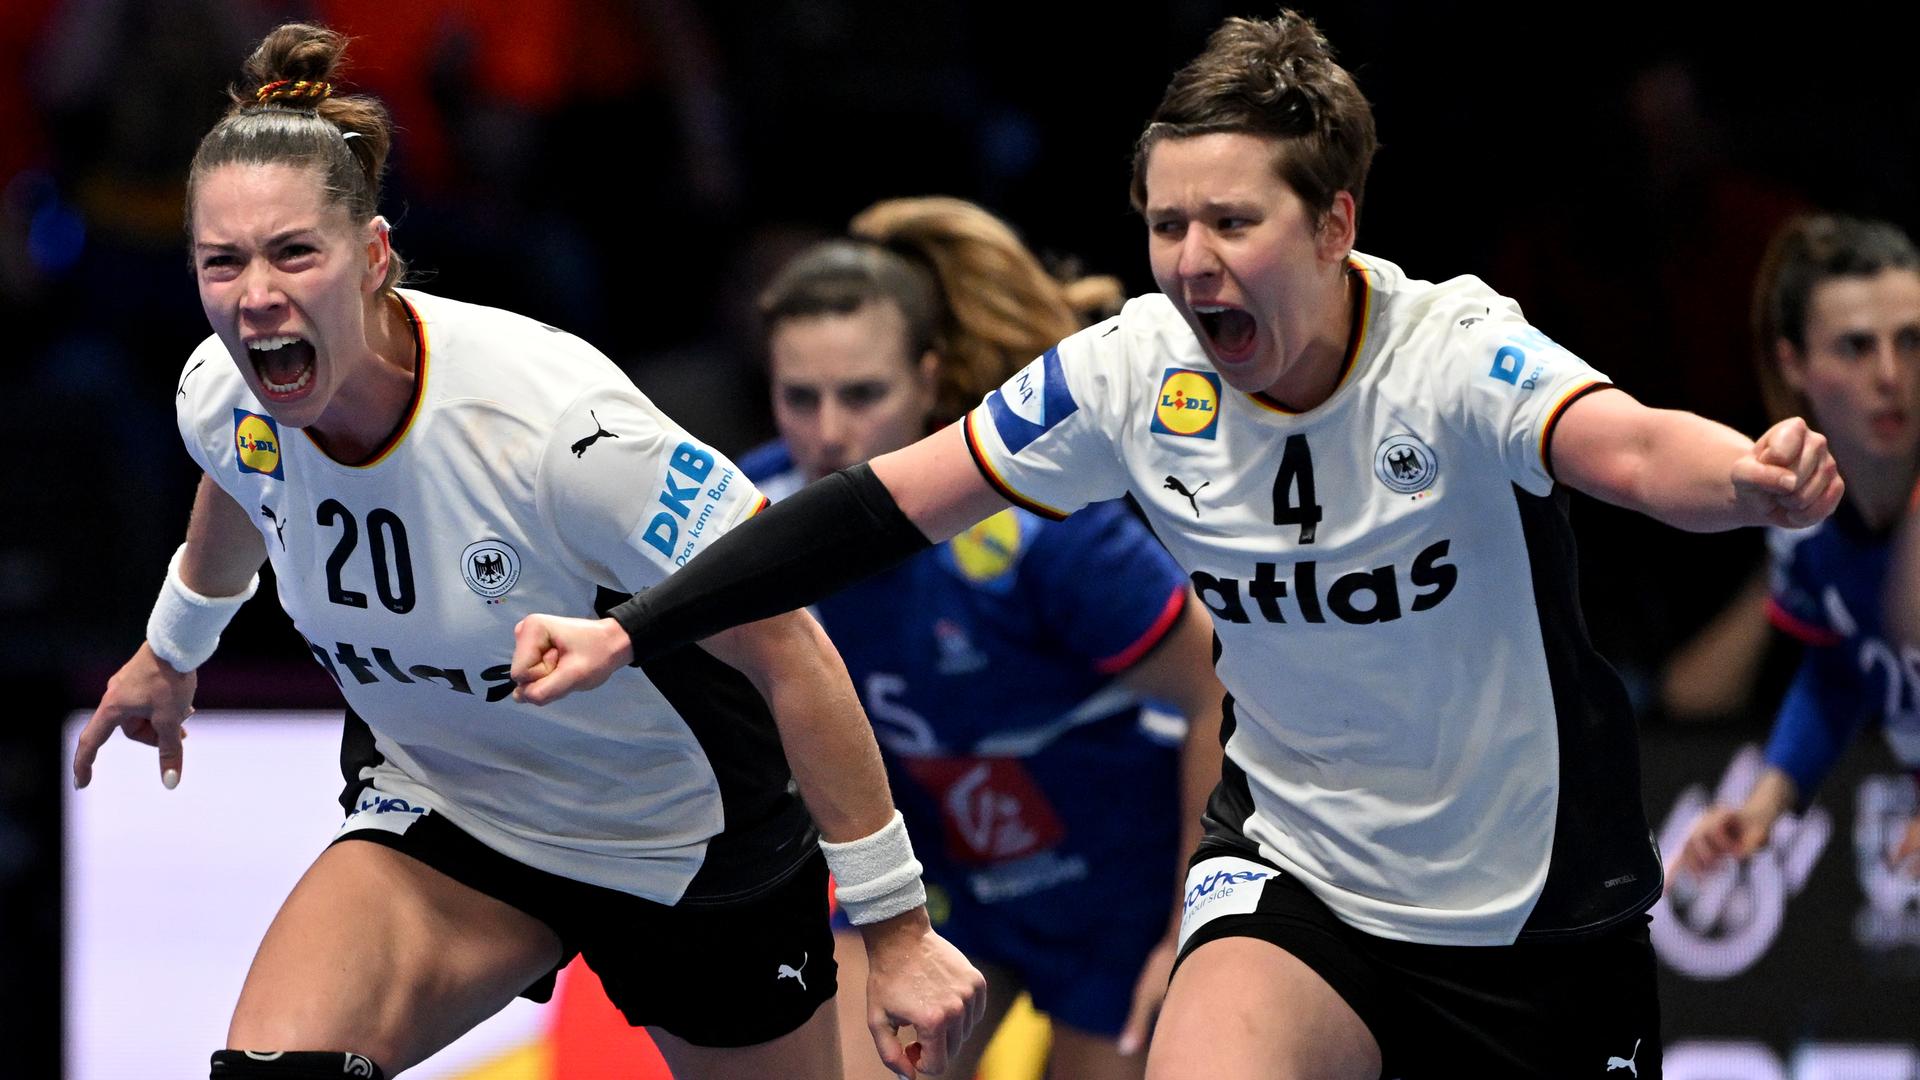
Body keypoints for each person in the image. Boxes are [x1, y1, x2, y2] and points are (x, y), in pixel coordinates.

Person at [509, 11, 1844, 1076]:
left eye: (1232, 223)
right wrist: (637, 624)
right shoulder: (1133, 373)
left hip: (1537, 908)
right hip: (1296, 872)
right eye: (1166, 225)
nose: (1191, 261)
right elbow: (873, 508)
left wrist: (1751, 476)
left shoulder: (1454, 352)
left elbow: (1632, 448)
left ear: (1334, 225)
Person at [67, 24, 982, 1080]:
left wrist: (896, 926)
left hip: (680, 839)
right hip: (454, 810)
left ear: (371, 258)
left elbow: (789, 642)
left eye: (293, 253)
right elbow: (239, 480)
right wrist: (171, 650)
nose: (253, 294)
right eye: (220, 262)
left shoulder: (558, 431)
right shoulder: (226, 393)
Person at [741, 196, 1225, 1080]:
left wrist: (1196, 929)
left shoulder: (1043, 528)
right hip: (936, 892)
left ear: (928, 381)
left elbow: (1214, 690)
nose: (828, 432)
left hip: (1117, 895)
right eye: (798, 398)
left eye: (862, 394)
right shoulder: (747, 524)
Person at [1670, 214, 1920, 881]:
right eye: (1856, 347)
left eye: (1911, 340)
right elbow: (1841, 669)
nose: (1891, 373)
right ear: (1795, 365)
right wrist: (1764, 803)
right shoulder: (1808, 528)